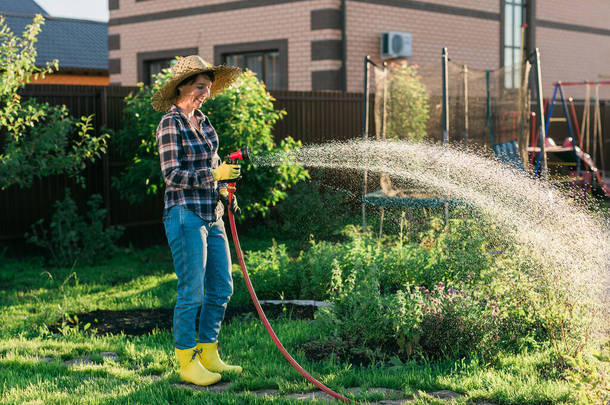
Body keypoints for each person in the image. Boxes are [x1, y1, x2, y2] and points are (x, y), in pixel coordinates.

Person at [151, 55, 242, 386]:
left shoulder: (204, 124)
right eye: (201, 87)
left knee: (221, 287)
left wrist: (224, 187)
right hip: (184, 214)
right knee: (192, 292)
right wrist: (212, 173)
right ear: (183, 87)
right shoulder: (170, 124)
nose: (205, 94)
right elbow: (172, 175)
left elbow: (214, 169)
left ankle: (209, 352)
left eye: (208, 88)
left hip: (212, 213)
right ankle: (187, 361)